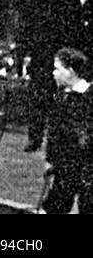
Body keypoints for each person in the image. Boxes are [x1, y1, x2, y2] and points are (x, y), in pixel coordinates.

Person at [22, 0, 84, 151]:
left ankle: (58, 140)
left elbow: (74, 21)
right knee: (39, 97)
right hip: (42, 53)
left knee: (61, 99)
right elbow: (32, 20)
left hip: (63, 53)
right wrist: (27, 52)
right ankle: (35, 137)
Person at [41, 47, 93, 214]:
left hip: (84, 166)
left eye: (58, 69)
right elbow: (54, 132)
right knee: (55, 205)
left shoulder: (88, 97)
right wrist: (50, 160)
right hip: (64, 167)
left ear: (70, 71)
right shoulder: (61, 96)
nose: (53, 73)